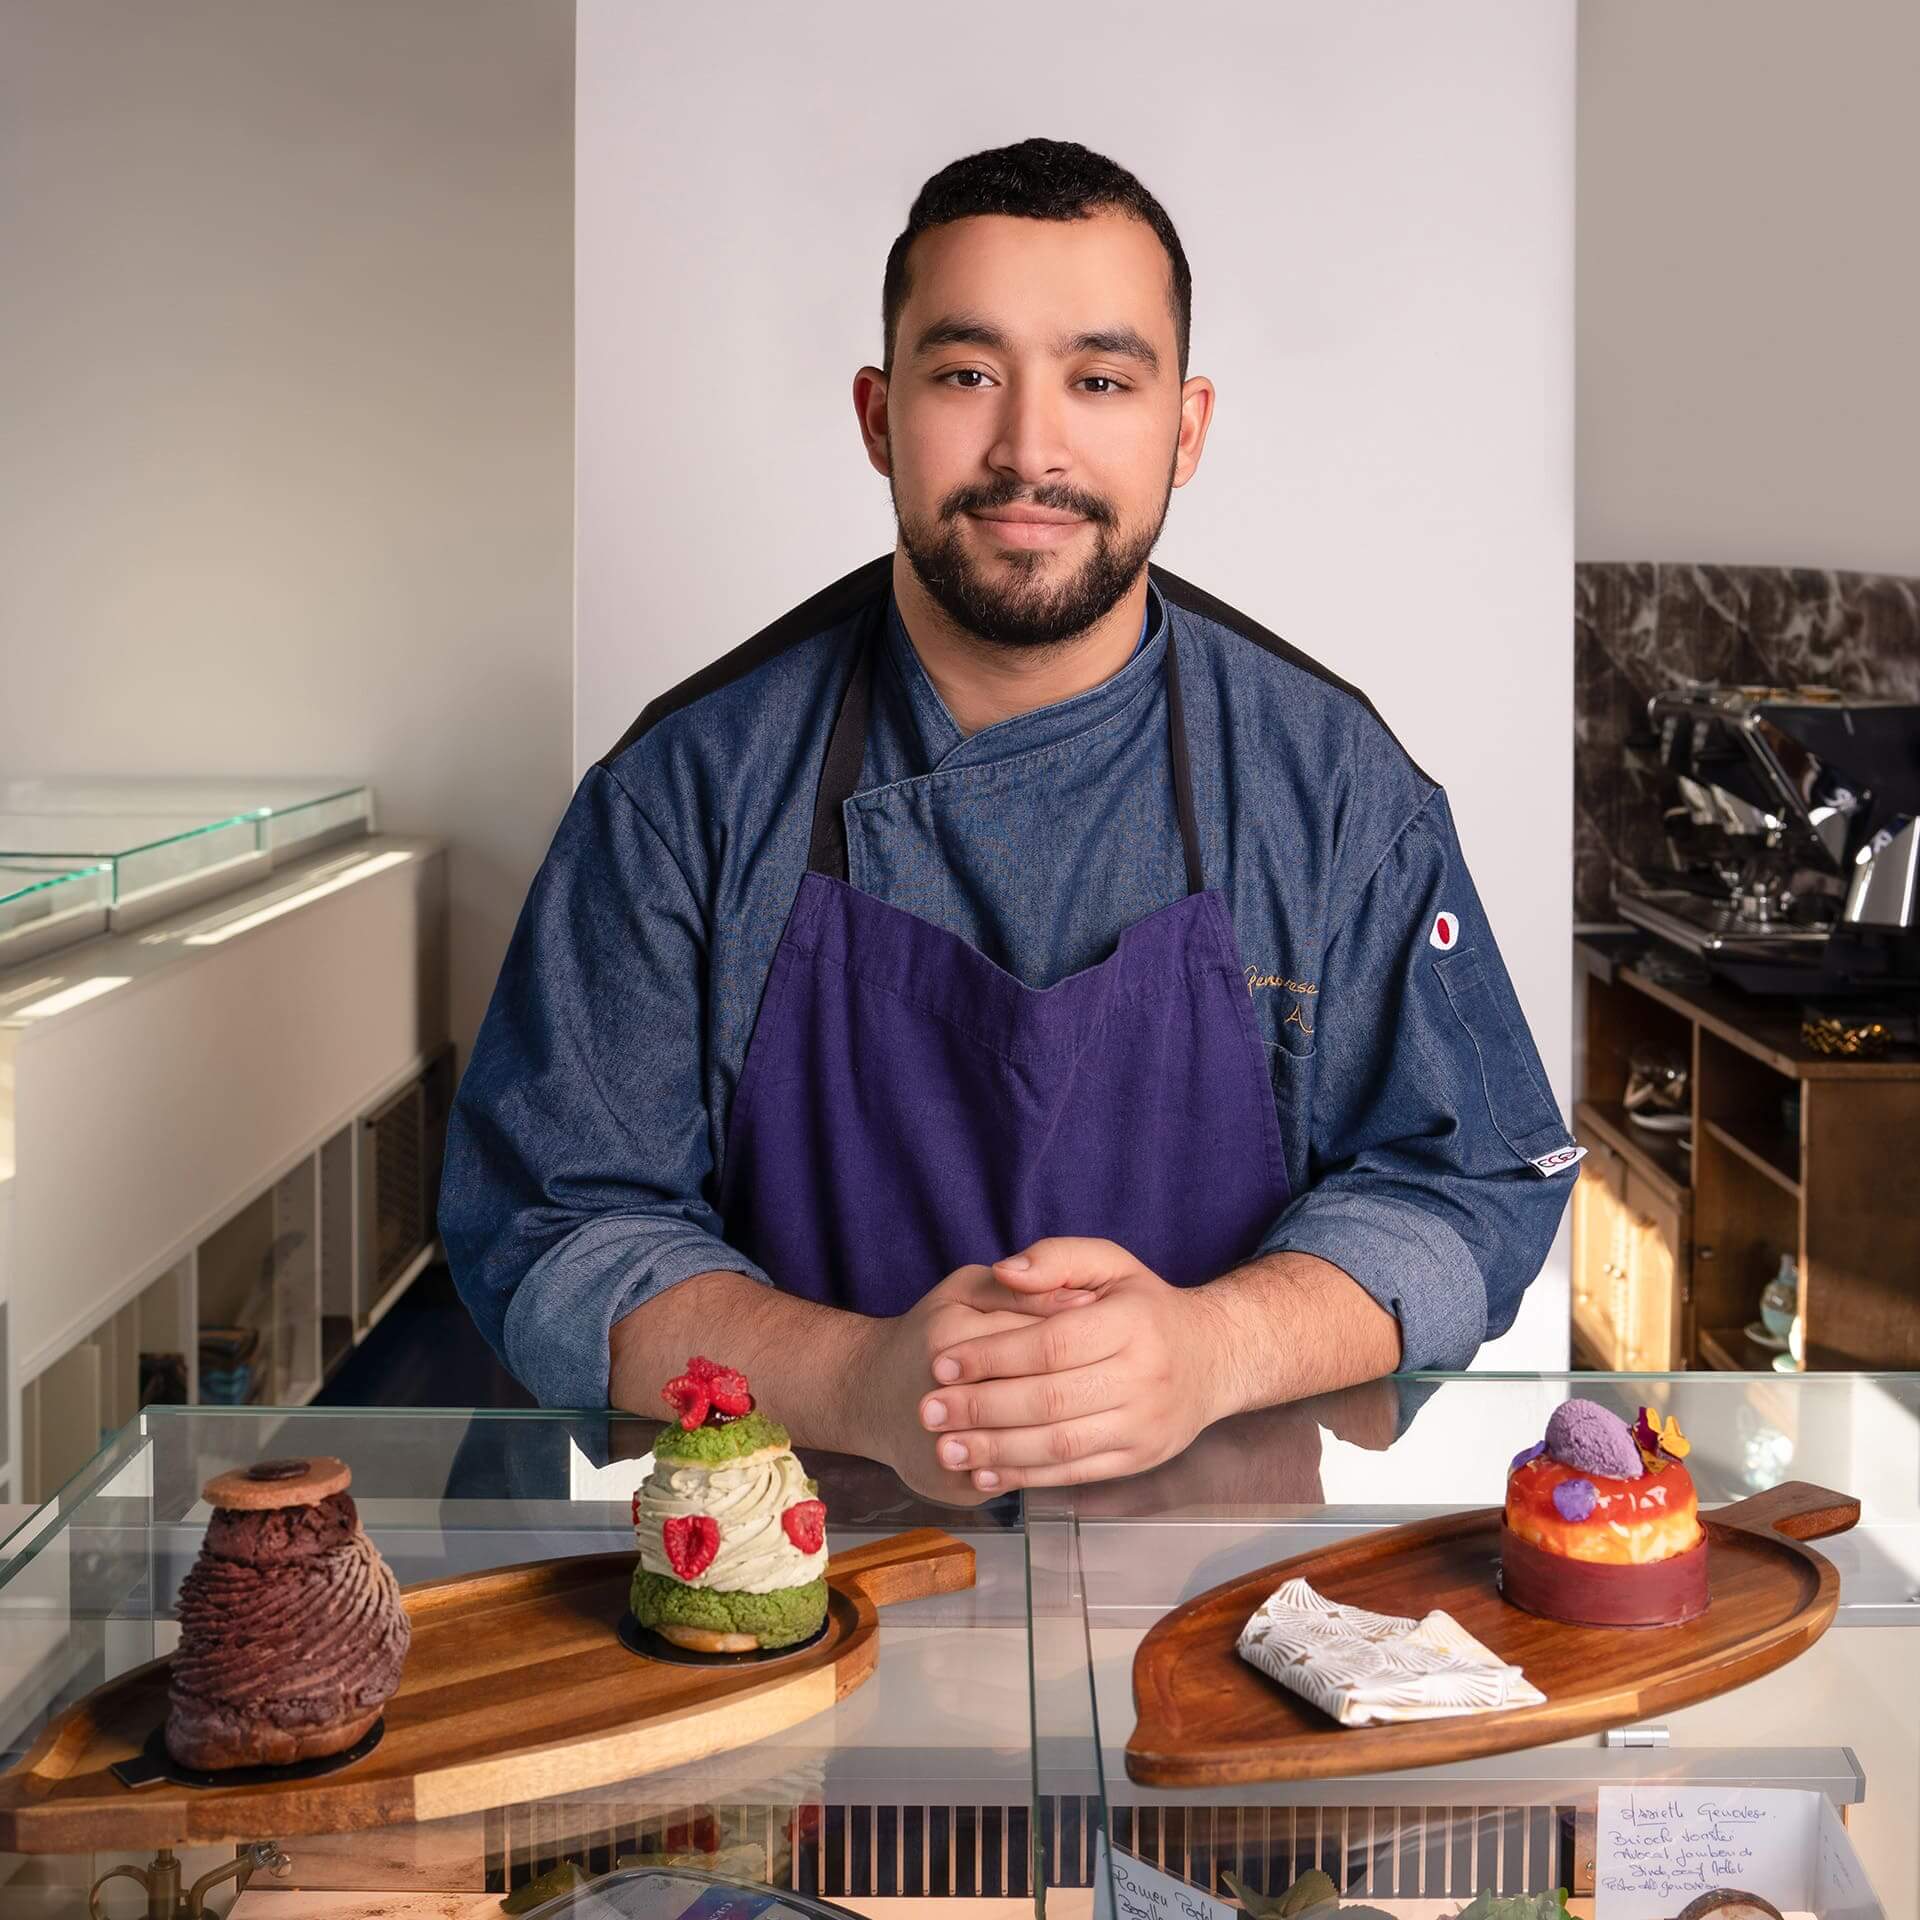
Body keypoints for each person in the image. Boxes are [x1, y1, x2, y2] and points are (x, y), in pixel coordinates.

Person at [440, 137, 1580, 1502]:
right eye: (967, 374)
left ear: (1187, 428)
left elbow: (1473, 1185)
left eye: (1100, 381)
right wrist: (859, 1381)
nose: (1029, 447)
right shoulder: (683, 792)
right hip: (787, 1602)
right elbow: (557, 1230)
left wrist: (1215, 1348)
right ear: (878, 415)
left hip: (1234, 1621)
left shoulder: (1334, 787)